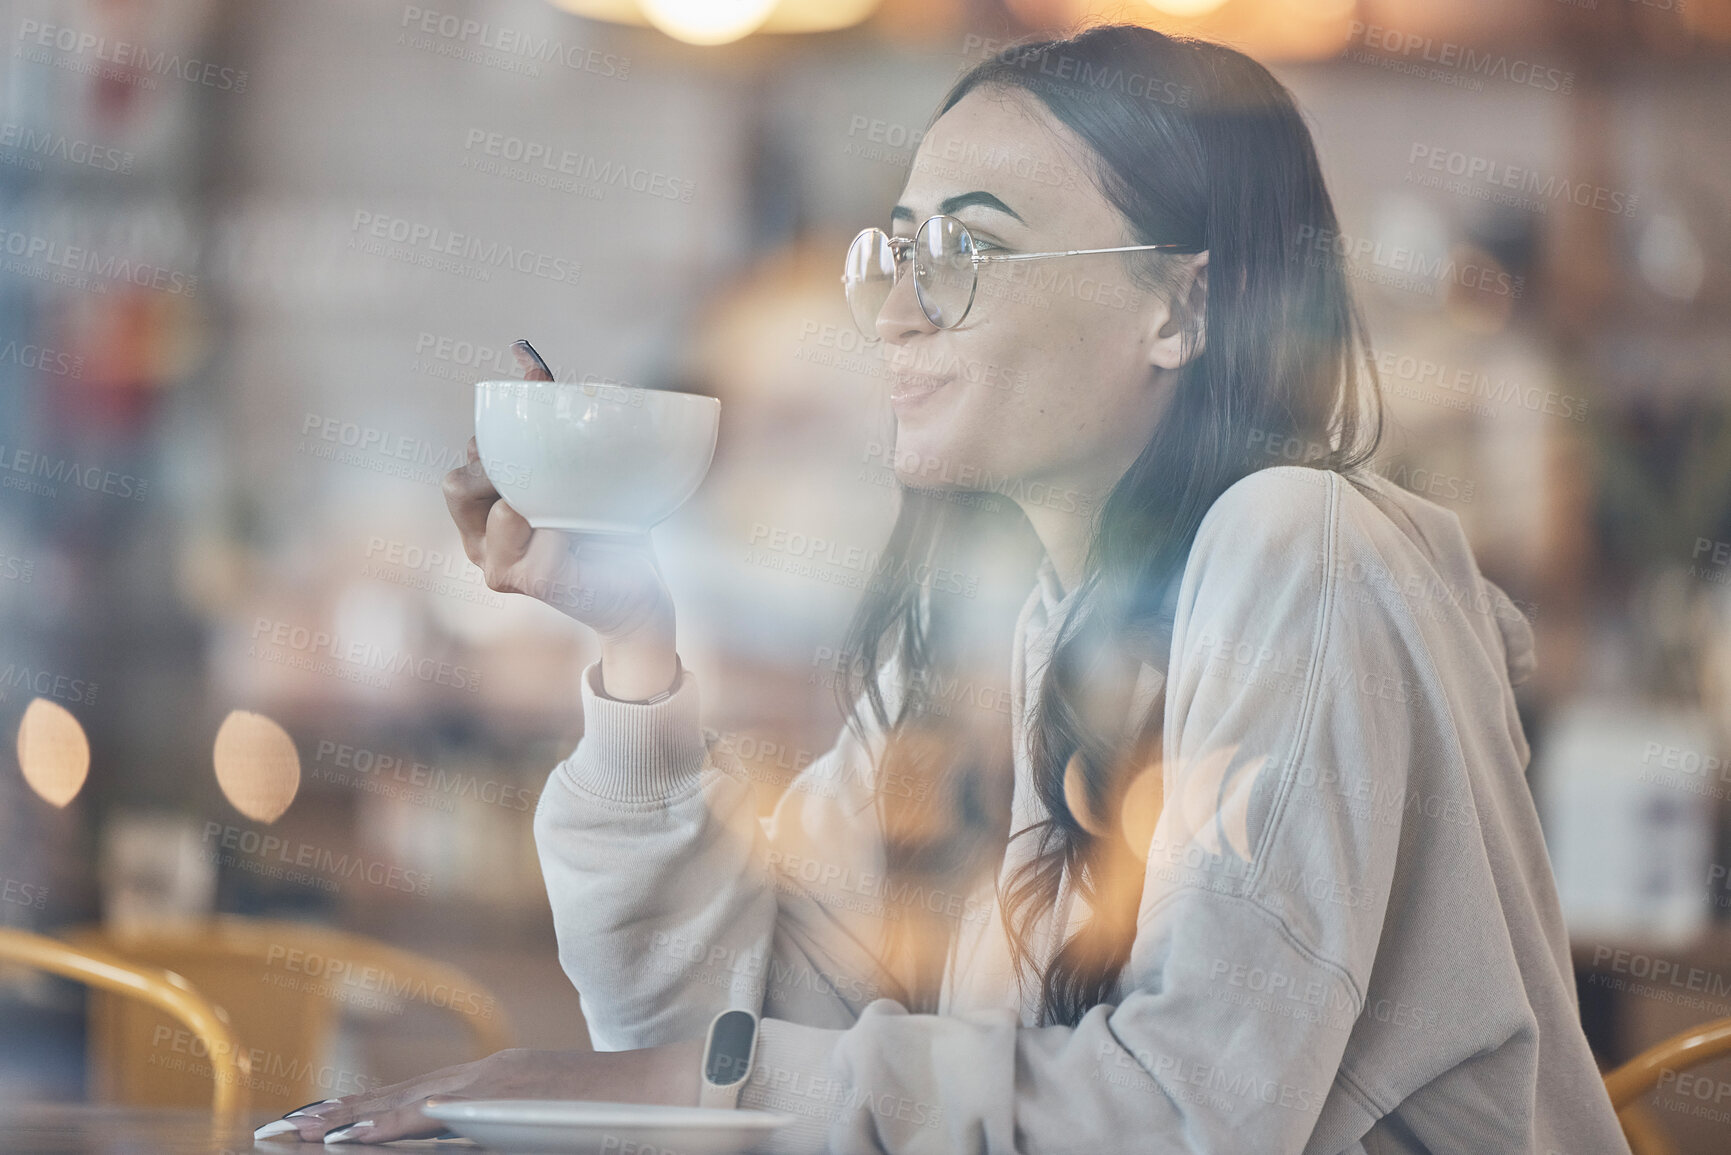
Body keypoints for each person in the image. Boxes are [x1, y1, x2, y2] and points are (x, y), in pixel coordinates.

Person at [262, 24, 1631, 1154]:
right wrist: (631, 640)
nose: (898, 310)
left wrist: (674, 1086)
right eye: (898, 250)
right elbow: (721, 1027)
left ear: (1183, 308)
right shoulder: (1009, 629)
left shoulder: (1301, 548)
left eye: (966, 253)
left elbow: (1181, 1118)